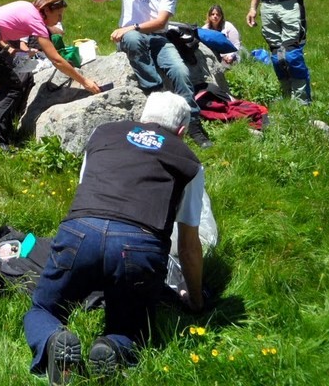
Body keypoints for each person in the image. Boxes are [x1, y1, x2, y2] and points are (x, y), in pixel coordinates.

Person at [23, 92, 206, 383]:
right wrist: (196, 300)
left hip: (81, 231)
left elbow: (85, 186)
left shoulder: (103, 134)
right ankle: (112, 346)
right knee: (132, 328)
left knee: (43, 308)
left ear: (143, 116)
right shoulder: (190, 163)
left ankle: (52, 339)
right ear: (182, 131)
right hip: (139, 246)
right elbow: (188, 247)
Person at [90, 0, 213, 148]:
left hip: (157, 36)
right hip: (131, 39)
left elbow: (161, 21)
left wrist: (129, 27)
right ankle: (155, 92)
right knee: (132, 38)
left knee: (180, 71)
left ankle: (193, 121)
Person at [0, 0, 101, 148]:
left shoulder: (26, 7)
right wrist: (84, 81)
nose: (60, 19)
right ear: (47, 10)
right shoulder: (35, 19)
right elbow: (56, 59)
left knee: (5, 83)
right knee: (13, 86)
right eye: (59, 14)